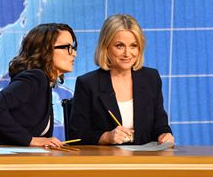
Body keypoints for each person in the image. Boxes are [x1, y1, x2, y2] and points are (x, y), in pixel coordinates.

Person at [0, 23, 77, 147]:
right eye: (67, 47)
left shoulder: (45, 84)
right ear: (45, 49)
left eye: (73, 48)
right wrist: (30, 140)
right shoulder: (35, 77)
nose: (74, 53)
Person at [69, 14, 174, 146]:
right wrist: (106, 137)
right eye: (119, 46)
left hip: (144, 161)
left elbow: (160, 125)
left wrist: (164, 135)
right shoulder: (88, 83)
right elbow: (76, 135)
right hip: (107, 162)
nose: (127, 53)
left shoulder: (151, 78)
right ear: (106, 47)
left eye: (133, 46)